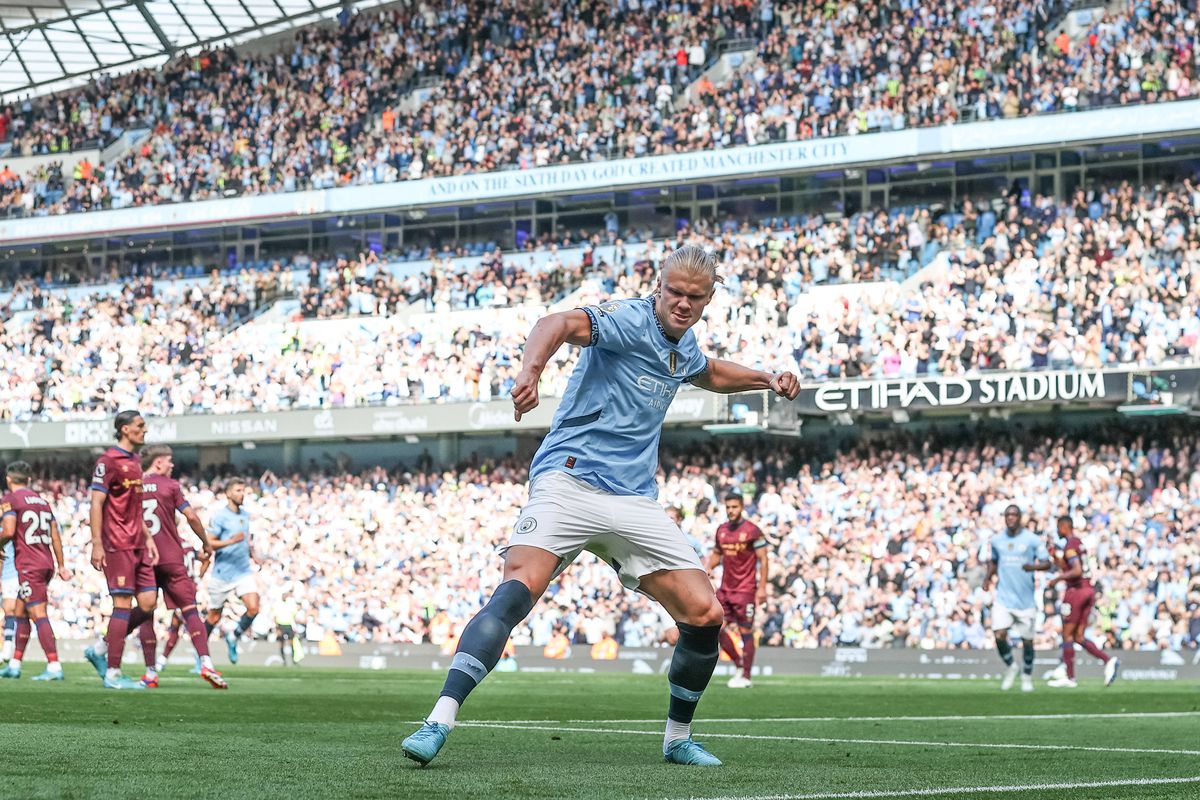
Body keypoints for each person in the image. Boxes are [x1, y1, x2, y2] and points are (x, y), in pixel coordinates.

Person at [402, 244, 799, 767]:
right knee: (517, 590)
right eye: (674, 292)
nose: (682, 303)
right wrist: (532, 371)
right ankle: (439, 720)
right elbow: (557, 322)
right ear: (658, 287)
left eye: (694, 297)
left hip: (633, 498)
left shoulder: (684, 345)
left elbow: (708, 372)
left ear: (708, 299)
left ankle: (677, 738)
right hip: (570, 481)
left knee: (705, 614)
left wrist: (766, 378)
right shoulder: (626, 318)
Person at [83, 410, 160, 690]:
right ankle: (113, 672)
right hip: (117, 544)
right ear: (125, 429)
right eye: (140, 426)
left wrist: (148, 537)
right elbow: (96, 503)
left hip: (138, 543)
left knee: (150, 602)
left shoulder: (136, 462)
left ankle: (102, 648)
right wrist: (97, 542)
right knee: (123, 606)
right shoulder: (108, 461)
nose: (145, 430)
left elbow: (136, 507)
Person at [138, 445, 227, 688]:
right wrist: (206, 543)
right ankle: (206, 663)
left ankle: (150, 673)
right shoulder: (171, 486)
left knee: (147, 614)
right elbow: (192, 517)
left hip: (144, 558)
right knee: (190, 610)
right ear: (157, 463)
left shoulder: (132, 486)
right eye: (169, 461)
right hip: (171, 557)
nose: (172, 465)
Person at [0, 461, 71, 681]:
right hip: (45, 562)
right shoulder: (42, 502)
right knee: (20, 613)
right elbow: (55, 535)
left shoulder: (10, 499)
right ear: (29, 480)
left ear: (9, 480)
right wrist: (61, 565)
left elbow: (9, 530)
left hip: (29, 564)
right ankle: (14, 664)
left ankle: (54, 665)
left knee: (38, 614)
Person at [1047, 515, 1120, 688]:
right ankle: (1108, 661)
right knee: (1078, 637)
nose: (1058, 531)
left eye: (1059, 527)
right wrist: (1054, 557)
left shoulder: (1070, 544)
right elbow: (1070, 566)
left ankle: (1069, 677)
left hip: (1076, 592)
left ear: (1065, 526)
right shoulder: (1078, 543)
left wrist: (1057, 579)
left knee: (1067, 634)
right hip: (1088, 590)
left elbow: (1076, 571)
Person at [985, 504, 1051, 692]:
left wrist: (1033, 568)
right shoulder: (997, 540)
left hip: (1025, 600)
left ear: (1020, 517)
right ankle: (1012, 666)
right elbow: (994, 562)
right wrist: (987, 578)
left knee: (1027, 641)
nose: (1011, 518)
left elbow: (1047, 563)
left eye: (1014, 515)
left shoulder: (1032, 540)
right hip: (1004, 598)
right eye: (1007, 515)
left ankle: (1026, 676)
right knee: (998, 634)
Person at [706, 493, 768, 688]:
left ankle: (746, 676)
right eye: (728, 507)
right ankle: (739, 664)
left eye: (734, 507)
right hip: (725, 589)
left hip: (745, 590)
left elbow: (764, 559)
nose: (731, 510)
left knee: (745, 631)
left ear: (741, 507)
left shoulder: (752, 531)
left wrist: (763, 588)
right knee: (716, 628)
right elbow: (717, 554)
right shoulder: (722, 530)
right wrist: (707, 568)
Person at [206, 478, 259, 663]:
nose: (241, 494)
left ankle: (234, 635)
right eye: (238, 490)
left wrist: (253, 554)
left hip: (243, 571)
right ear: (228, 493)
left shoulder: (245, 515)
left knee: (253, 607)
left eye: (243, 490)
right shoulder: (220, 516)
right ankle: (201, 654)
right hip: (222, 573)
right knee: (214, 617)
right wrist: (230, 541)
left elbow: (245, 540)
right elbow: (209, 542)